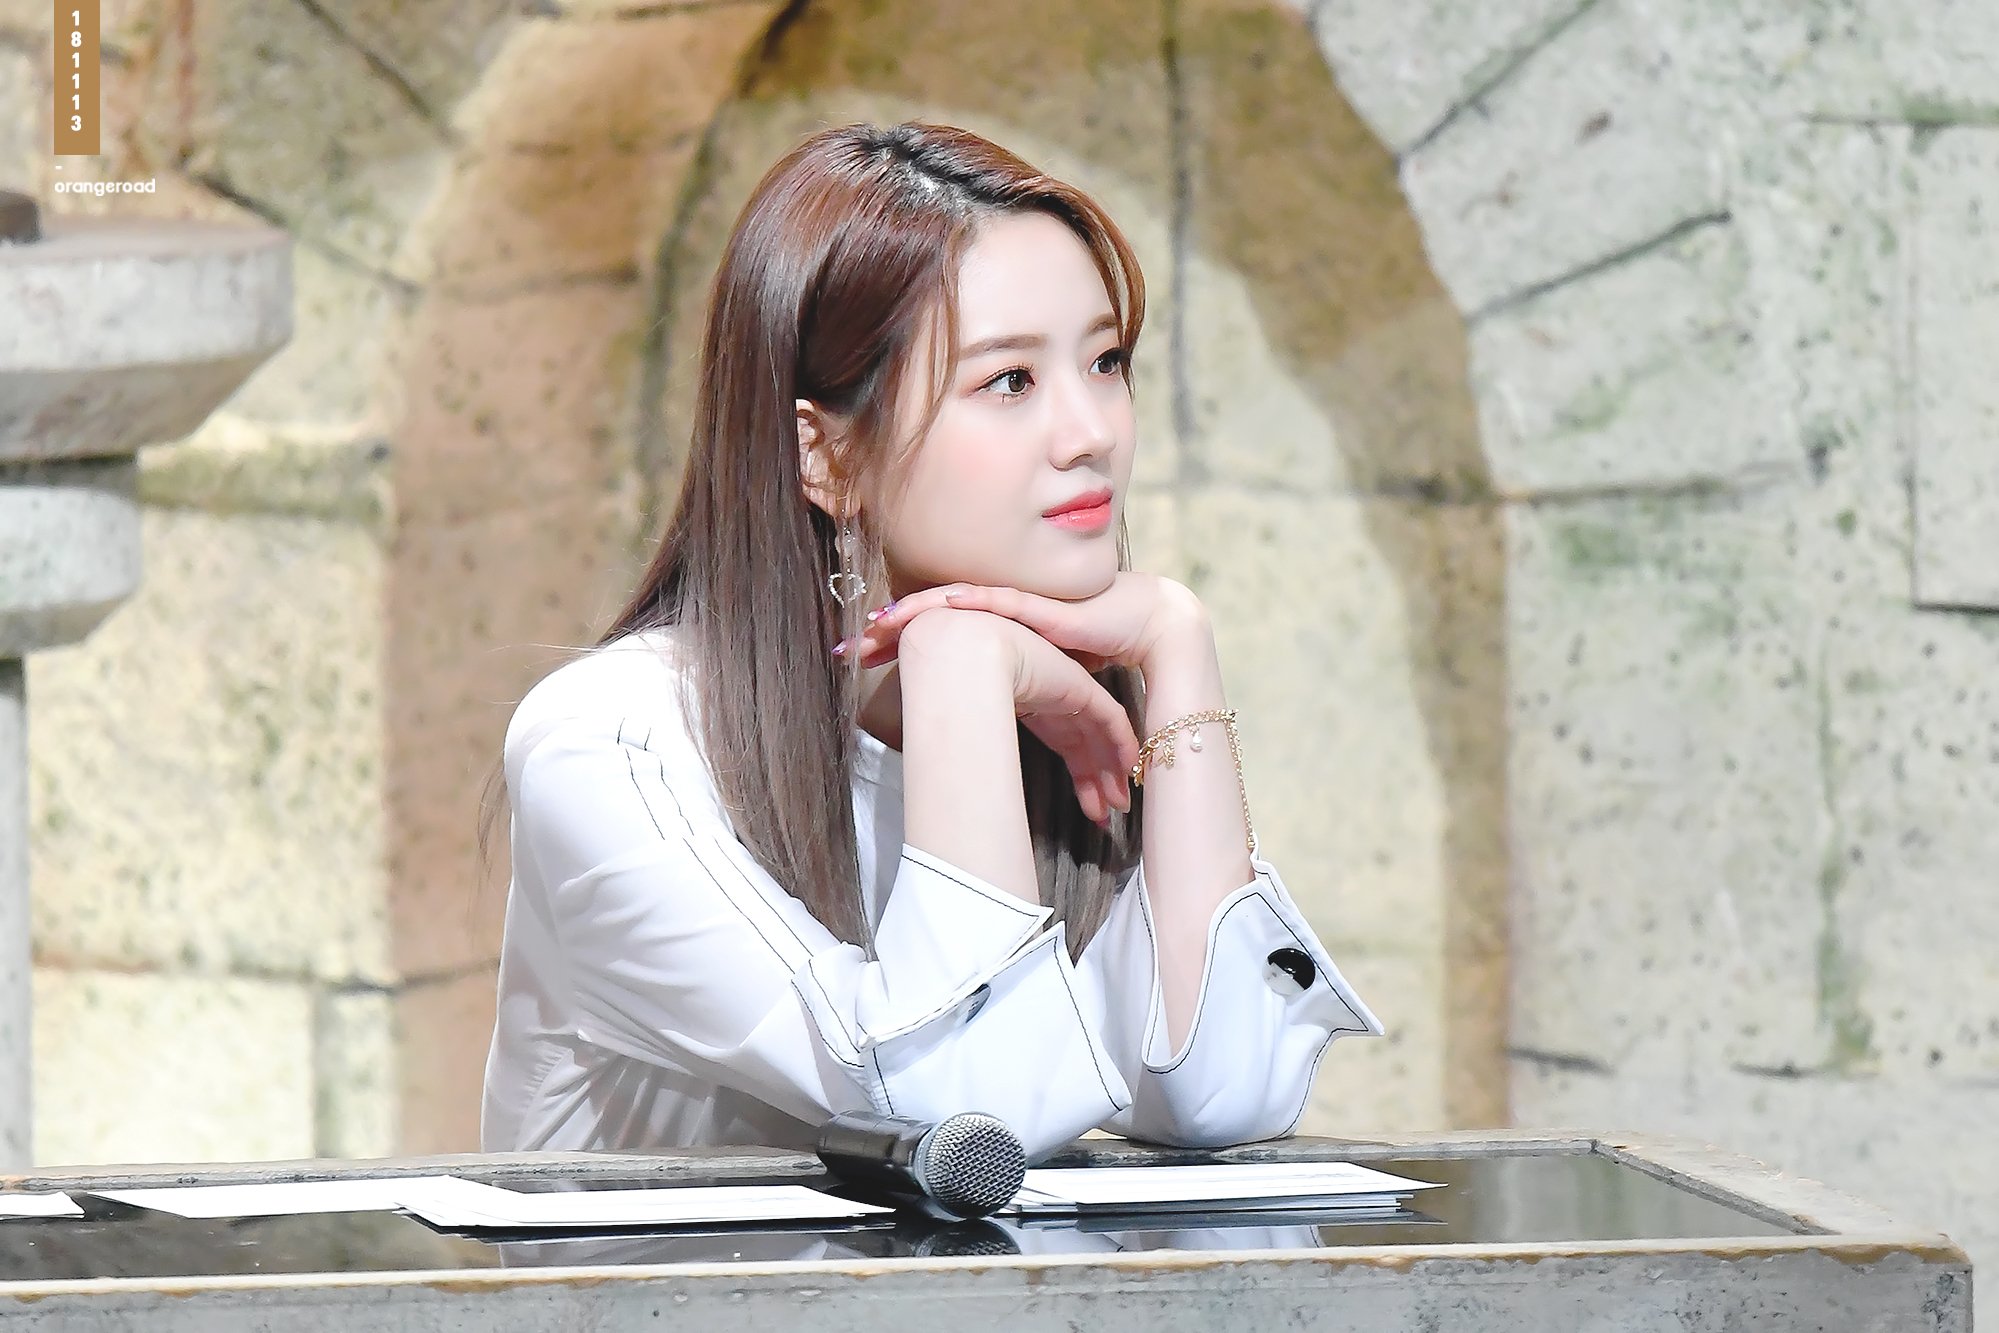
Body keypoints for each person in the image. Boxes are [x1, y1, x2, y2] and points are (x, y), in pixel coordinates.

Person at [480, 121, 1381, 1164]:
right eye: (1009, 382)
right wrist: (961, 663)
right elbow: (966, 1111)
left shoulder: (1061, 709)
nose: (1092, 432)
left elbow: (1218, 1095)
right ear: (824, 456)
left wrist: (1177, 643)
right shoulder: (614, 743)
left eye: (1104, 361)